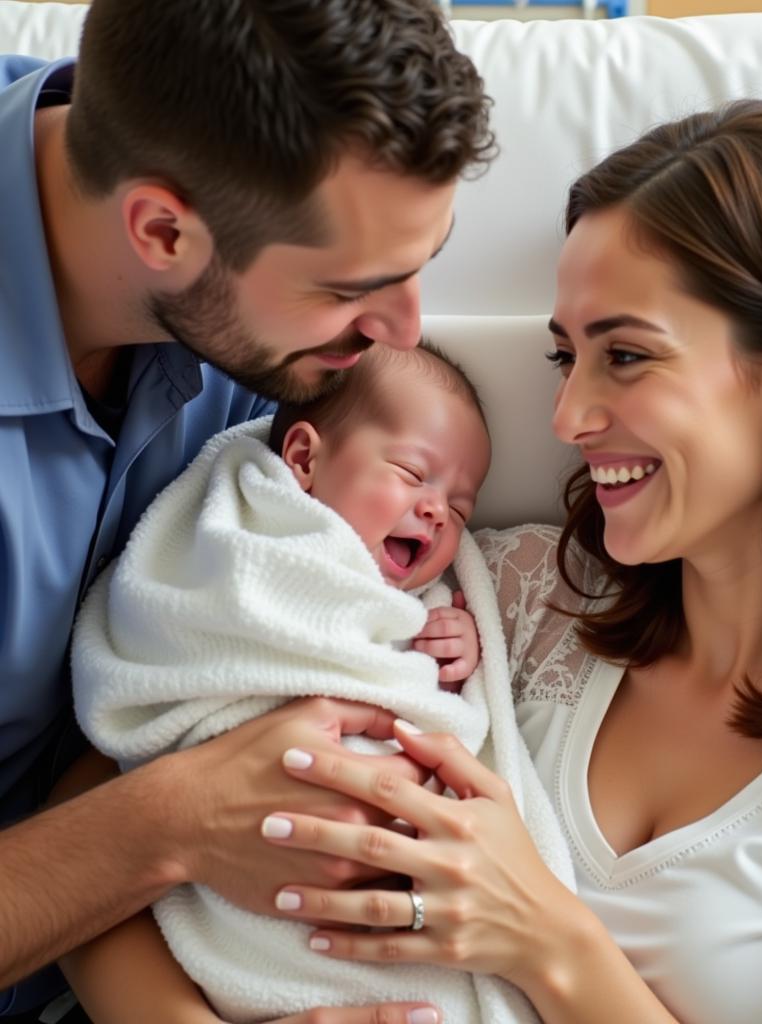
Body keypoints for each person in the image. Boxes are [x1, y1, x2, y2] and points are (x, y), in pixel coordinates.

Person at [231, 101, 762, 1023]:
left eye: (628, 355)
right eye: (566, 357)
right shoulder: (516, 599)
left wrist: (546, 941)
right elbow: (162, 761)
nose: (565, 416)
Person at [0, 0, 492, 1018]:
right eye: (357, 286)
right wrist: (172, 820)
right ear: (162, 231)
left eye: (423, 263)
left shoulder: (198, 147)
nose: (404, 327)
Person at [67, 342, 571, 1023]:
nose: (435, 513)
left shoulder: (419, 597)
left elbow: (429, 697)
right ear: (304, 461)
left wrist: (453, 653)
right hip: (253, 837)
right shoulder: (248, 544)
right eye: (413, 474)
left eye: (459, 508)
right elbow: (190, 635)